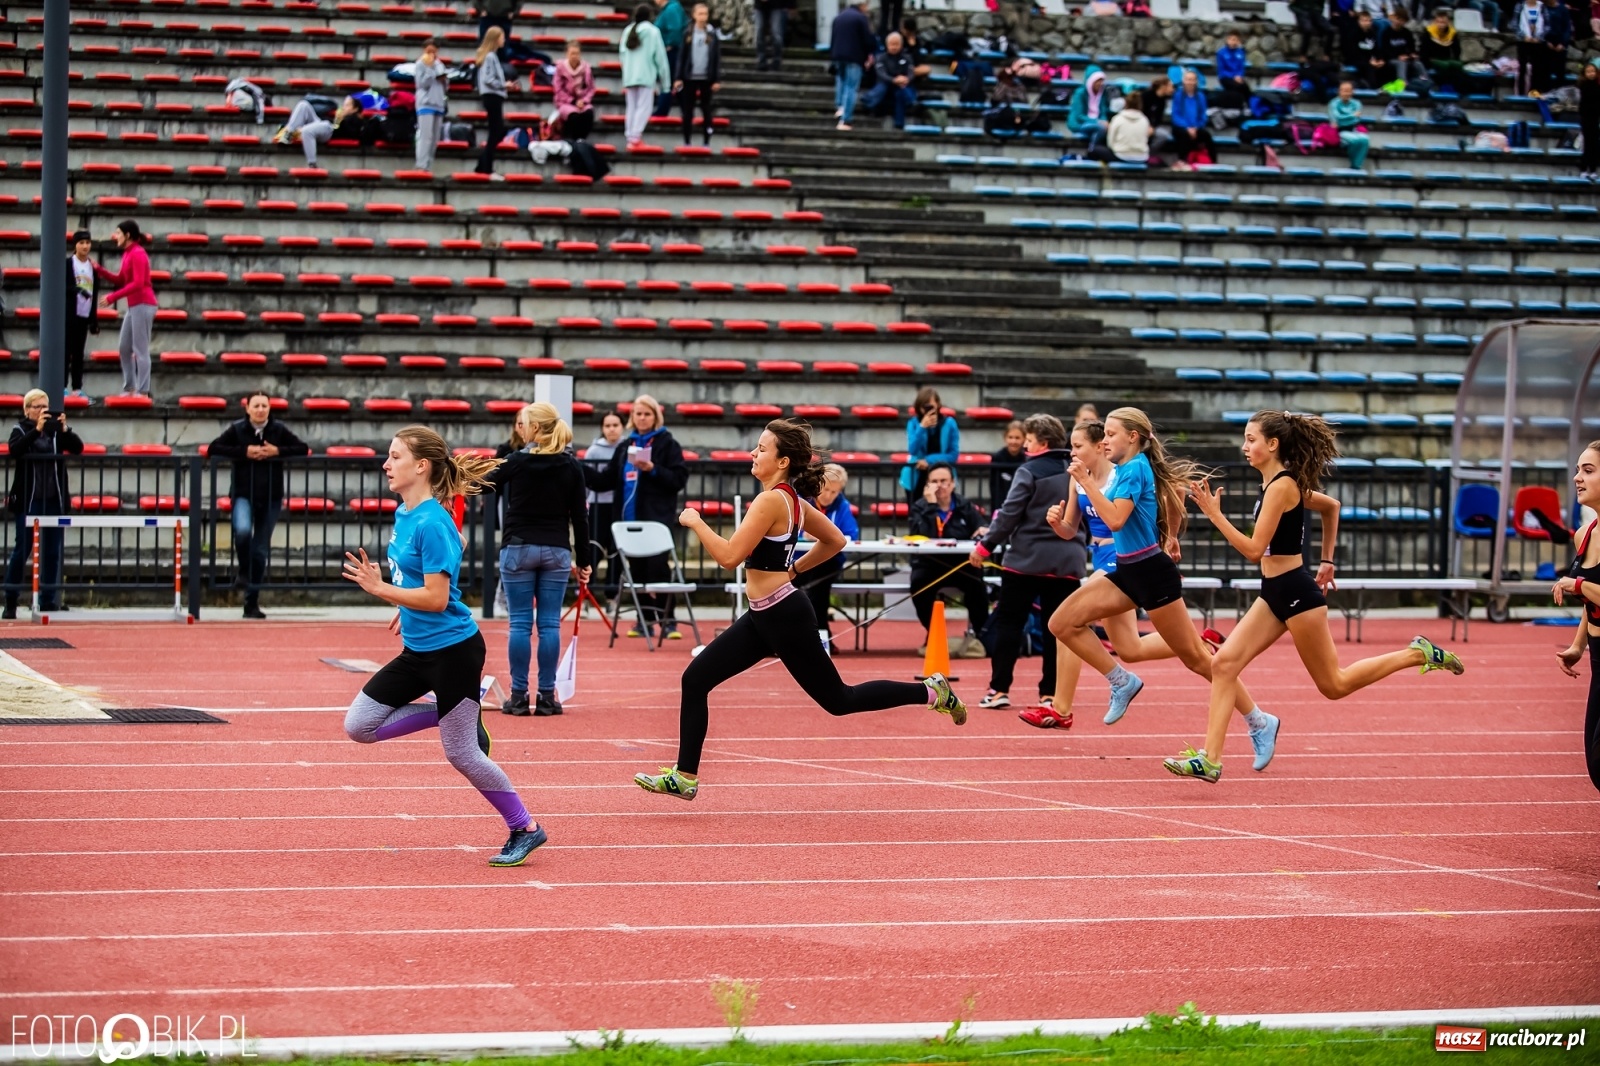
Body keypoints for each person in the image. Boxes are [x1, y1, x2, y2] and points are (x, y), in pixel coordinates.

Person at [633, 420, 967, 802]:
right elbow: (836, 540)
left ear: (782, 460)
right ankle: (685, 776)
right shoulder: (792, 499)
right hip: (765, 614)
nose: (754, 454)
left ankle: (931, 691)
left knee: (841, 700)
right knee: (695, 680)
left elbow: (729, 557)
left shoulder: (772, 500)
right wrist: (794, 570)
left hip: (783, 616)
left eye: (762, 449)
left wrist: (695, 522)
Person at [1172, 412, 1464, 783]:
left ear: (1272, 444)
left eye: (1251, 440)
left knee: (1334, 685)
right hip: (1274, 592)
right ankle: (1210, 759)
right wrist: (1326, 560)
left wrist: (1214, 515)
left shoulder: (1281, 486)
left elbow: (1252, 549)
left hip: (1295, 592)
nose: (1244, 447)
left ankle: (1417, 653)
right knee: (1224, 664)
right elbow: (1331, 507)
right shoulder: (1278, 484)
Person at [342, 427, 545, 868]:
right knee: (358, 725)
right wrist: (402, 599)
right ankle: (455, 710)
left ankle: (525, 827)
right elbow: (427, 580)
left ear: (421, 466)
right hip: (419, 650)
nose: (385, 464)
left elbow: (436, 598)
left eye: (394, 457)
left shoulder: (433, 521)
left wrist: (384, 591)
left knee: (462, 754)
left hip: (454, 651)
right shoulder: (407, 513)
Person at [1046, 408, 1271, 746]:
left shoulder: (1135, 468)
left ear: (1133, 437)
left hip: (1151, 573)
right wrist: (1062, 521)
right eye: (1104, 434)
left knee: (1197, 659)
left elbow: (1116, 521)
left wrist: (1088, 484)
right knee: (1061, 624)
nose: (1104, 440)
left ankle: (1258, 720)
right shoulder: (1125, 469)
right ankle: (1121, 680)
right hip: (1126, 570)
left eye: (1111, 434)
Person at [970, 415, 1084, 712]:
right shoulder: (1081, 472)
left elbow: (1009, 515)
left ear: (1042, 443)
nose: (1025, 446)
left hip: (1027, 560)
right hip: (1068, 561)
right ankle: (1050, 693)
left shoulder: (1029, 470)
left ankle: (999, 689)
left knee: (1010, 623)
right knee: (1056, 630)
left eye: (1029, 440)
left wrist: (985, 547)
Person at [487, 403, 592, 718]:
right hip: (556, 548)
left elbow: (483, 483)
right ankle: (547, 696)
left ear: (534, 428)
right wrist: (585, 560)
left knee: (520, 623)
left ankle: (519, 696)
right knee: (548, 624)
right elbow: (580, 517)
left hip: (518, 546)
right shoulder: (571, 465)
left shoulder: (516, 461)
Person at [584, 394, 689, 639]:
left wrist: (653, 470)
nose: (642, 418)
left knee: (658, 569)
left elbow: (679, 479)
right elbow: (605, 480)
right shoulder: (625, 446)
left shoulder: (666, 444)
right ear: (632, 417)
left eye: (646, 414)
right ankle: (644, 621)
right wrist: (577, 466)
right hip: (628, 521)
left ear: (655, 416)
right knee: (637, 572)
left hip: (656, 520)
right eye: (638, 414)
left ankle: (668, 620)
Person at [206, 392, 311, 619]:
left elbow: (303, 448)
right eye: (256, 406)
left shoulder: (278, 429)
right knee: (242, 531)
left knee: (260, 549)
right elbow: (213, 448)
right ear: (248, 409)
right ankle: (244, 570)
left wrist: (278, 451)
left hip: (271, 496)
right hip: (243, 494)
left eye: (265, 405)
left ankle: (251, 602)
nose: (261, 409)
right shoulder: (237, 429)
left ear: (270, 409)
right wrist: (244, 452)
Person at [1553, 441, 1600, 867]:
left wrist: (1578, 586)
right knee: (1596, 765)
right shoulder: (1584, 533)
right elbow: (1592, 605)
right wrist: (1577, 646)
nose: (1577, 478)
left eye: (1588, 470)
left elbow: (1586, 590)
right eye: (1578, 470)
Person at [3, 390, 82, 619]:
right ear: (27, 410)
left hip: (53, 499)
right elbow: (15, 450)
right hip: (29, 500)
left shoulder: (56, 433)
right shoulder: (20, 430)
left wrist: (66, 430)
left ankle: (48, 600)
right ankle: (11, 600)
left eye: (45, 407)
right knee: (22, 550)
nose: (42, 411)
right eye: (37, 407)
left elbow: (77, 448)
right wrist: (36, 430)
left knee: (52, 551)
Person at [909, 463, 990, 652]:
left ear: (953, 483)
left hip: (960, 564)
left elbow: (981, 528)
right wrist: (930, 506)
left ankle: (982, 635)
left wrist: (982, 530)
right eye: (934, 482)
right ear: (927, 485)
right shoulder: (920, 507)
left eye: (944, 481)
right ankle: (934, 632)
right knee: (919, 585)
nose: (940, 486)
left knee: (977, 586)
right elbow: (921, 536)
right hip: (929, 564)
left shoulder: (964, 506)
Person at [94, 219, 155, 399]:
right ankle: (130, 387)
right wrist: (99, 269)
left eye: (119, 233)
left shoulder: (138, 253)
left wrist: (113, 297)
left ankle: (143, 391)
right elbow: (121, 279)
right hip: (134, 305)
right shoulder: (128, 254)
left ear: (127, 235)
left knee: (140, 349)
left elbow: (137, 283)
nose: (116, 236)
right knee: (124, 346)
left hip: (143, 304)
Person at [803, 463, 859, 644]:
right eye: (826, 489)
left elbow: (851, 534)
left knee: (818, 586)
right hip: (800, 560)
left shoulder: (842, 505)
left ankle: (818, 635)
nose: (829, 496)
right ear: (818, 485)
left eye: (834, 492)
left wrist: (828, 536)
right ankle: (821, 635)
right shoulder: (803, 500)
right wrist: (803, 534)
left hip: (829, 560)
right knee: (814, 588)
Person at [584, 410, 626, 595]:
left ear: (622, 427)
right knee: (594, 548)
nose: (611, 429)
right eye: (607, 426)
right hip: (597, 505)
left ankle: (612, 595)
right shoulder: (594, 451)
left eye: (615, 425)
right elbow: (585, 479)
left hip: (618, 506)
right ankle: (586, 593)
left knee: (616, 552)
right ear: (602, 428)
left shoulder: (627, 448)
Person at [900, 386, 959, 505]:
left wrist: (928, 461)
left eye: (930, 406)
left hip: (942, 475)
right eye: (923, 406)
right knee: (916, 514)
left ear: (938, 404)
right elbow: (913, 450)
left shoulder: (950, 424)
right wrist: (922, 428)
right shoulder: (913, 424)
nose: (927, 410)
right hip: (916, 476)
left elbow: (953, 455)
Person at [621, 4, 670, 147]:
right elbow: (660, 58)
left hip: (630, 76)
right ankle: (635, 137)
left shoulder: (627, 31)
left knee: (631, 107)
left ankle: (630, 136)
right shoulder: (653, 32)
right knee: (644, 107)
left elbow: (622, 55)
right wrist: (666, 83)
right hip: (646, 75)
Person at [673, 2, 721, 146]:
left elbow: (717, 58)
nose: (703, 17)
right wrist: (678, 77)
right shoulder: (687, 33)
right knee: (688, 111)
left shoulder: (712, 35)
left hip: (706, 77)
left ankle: (706, 141)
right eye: (700, 14)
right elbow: (681, 57)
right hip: (689, 77)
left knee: (706, 110)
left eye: (705, 14)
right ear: (694, 15)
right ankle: (687, 141)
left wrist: (716, 79)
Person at [63, 230, 98, 403]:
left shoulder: (93, 267)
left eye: (88, 242)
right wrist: (77, 290)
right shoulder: (68, 264)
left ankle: (77, 388)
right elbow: (61, 287)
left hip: (84, 314)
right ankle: (62, 387)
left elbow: (95, 292)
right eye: (81, 243)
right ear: (75, 245)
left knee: (78, 353)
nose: (85, 246)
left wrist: (94, 319)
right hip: (69, 314)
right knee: (66, 351)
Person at [831, 0, 875, 130]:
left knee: (841, 80)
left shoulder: (839, 17)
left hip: (838, 55)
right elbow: (867, 39)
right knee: (851, 87)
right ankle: (846, 119)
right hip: (854, 56)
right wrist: (869, 54)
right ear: (863, 4)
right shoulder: (861, 18)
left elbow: (833, 38)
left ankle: (840, 106)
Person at [864, 32, 919, 129]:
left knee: (902, 93)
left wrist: (905, 79)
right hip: (886, 84)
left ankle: (899, 123)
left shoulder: (907, 58)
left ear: (901, 45)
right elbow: (881, 73)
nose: (894, 47)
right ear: (887, 45)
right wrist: (893, 80)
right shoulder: (881, 58)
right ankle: (869, 103)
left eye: (896, 44)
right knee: (882, 88)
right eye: (892, 44)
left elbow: (911, 72)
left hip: (901, 86)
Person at [474, 27, 508, 178]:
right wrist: (503, 85)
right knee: (496, 130)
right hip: (492, 95)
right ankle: (486, 167)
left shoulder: (491, 56)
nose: (504, 40)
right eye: (502, 37)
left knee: (497, 130)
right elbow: (488, 79)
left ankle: (482, 165)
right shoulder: (490, 57)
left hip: (494, 95)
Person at [412, 40, 448, 172]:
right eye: (429, 51)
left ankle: (428, 164)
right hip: (425, 102)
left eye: (434, 51)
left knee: (435, 137)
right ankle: (421, 164)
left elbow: (445, 85)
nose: (431, 54)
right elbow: (422, 84)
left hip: (438, 102)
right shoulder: (420, 64)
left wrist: (444, 80)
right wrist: (430, 69)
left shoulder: (440, 64)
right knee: (425, 136)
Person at [1089, 89, 1153, 162]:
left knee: (1095, 149)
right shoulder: (1144, 120)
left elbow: (1110, 142)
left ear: (1126, 103)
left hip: (1121, 156)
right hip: (1142, 157)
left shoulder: (1118, 119)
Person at [551, 40, 596, 141]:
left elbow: (591, 88)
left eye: (577, 53)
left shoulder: (586, 68)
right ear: (567, 54)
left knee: (588, 113)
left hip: (582, 101)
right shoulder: (560, 68)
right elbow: (558, 89)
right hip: (565, 101)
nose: (574, 56)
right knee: (573, 116)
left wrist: (584, 100)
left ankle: (581, 140)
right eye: (572, 53)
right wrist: (573, 101)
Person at [1169, 69, 1216, 163]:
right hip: (1181, 127)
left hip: (1196, 127)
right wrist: (1187, 128)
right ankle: (1182, 160)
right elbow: (1176, 115)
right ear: (1183, 81)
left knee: (1207, 135)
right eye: (1187, 79)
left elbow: (1203, 115)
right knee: (1183, 135)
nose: (1189, 82)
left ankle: (1213, 162)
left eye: (1192, 79)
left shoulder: (1201, 96)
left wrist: (1196, 127)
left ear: (1196, 81)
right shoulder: (1178, 95)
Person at [1068, 67, 1117, 151]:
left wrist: (1104, 121)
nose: (1101, 83)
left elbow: (1103, 111)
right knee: (1100, 128)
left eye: (1102, 81)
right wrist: (1098, 122)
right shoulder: (1080, 93)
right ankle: (1092, 149)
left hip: (1097, 123)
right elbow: (1079, 116)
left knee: (1109, 127)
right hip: (1080, 123)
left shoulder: (1102, 94)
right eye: (1098, 81)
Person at [653, 0, 688, 117]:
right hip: (671, 51)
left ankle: (663, 109)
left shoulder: (671, 9)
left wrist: (668, 44)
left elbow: (675, 29)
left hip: (672, 52)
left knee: (669, 80)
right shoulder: (669, 9)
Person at [1382, 8, 1428, 90]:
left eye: (1402, 20)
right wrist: (1397, 57)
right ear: (1394, 18)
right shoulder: (1386, 32)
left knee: (1418, 63)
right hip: (1392, 59)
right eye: (1398, 19)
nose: (1399, 22)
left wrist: (1413, 55)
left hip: (1407, 58)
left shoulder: (1407, 33)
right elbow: (1385, 51)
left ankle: (1426, 82)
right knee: (1401, 63)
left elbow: (1412, 48)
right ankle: (1403, 84)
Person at [1327, 80, 1371, 167]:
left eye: (1348, 91)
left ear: (1352, 92)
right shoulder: (1334, 103)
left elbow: (1356, 120)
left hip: (1353, 129)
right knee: (1355, 140)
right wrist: (1351, 116)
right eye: (1344, 90)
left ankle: (1357, 166)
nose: (1346, 93)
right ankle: (1354, 165)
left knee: (1365, 139)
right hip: (1340, 131)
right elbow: (1337, 118)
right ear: (1339, 91)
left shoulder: (1356, 103)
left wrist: (1345, 118)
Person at [989, 420, 1026, 513]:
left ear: (1024, 439)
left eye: (1017, 438)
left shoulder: (1027, 458)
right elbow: (993, 486)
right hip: (1001, 503)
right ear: (1005, 438)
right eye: (1010, 437)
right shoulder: (997, 457)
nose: (1013, 441)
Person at [1343, 10, 1386, 87]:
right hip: (1355, 60)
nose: (1367, 23)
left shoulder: (1372, 33)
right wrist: (1369, 61)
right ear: (1359, 21)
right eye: (1365, 21)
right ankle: (1372, 87)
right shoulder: (1353, 34)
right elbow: (1352, 52)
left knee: (1384, 65)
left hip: (1369, 60)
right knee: (1369, 67)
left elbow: (1376, 49)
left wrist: (1380, 59)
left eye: (1369, 21)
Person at [1540, 0, 1575, 93]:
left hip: (1560, 43)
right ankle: (1545, 93)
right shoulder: (1542, 8)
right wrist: (1545, 42)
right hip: (1545, 44)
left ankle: (1560, 94)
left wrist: (1563, 43)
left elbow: (1567, 28)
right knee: (1544, 71)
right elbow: (1540, 26)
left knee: (1560, 72)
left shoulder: (1563, 9)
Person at [754, 0, 794, 71]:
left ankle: (776, 61)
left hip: (776, 5)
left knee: (776, 34)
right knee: (759, 31)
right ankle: (761, 60)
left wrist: (791, 5)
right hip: (760, 6)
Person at [1578, 60, 1599, 179]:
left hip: (1595, 118)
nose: (1591, 74)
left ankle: (1593, 169)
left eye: (1593, 72)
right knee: (1586, 144)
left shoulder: (1598, 86)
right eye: (1588, 72)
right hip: (1586, 118)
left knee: (1594, 145)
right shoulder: (1583, 86)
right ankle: (1583, 169)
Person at [1216, 31, 1250, 97]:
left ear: (1238, 41)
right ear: (1227, 40)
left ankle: (1249, 105)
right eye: (1231, 39)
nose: (1233, 42)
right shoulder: (1221, 53)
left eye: (1235, 40)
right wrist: (1233, 77)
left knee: (1245, 87)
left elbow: (1241, 68)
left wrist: (1239, 76)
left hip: (1238, 78)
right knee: (1236, 87)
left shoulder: (1241, 53)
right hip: (1225, 77)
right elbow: (1221, 70)